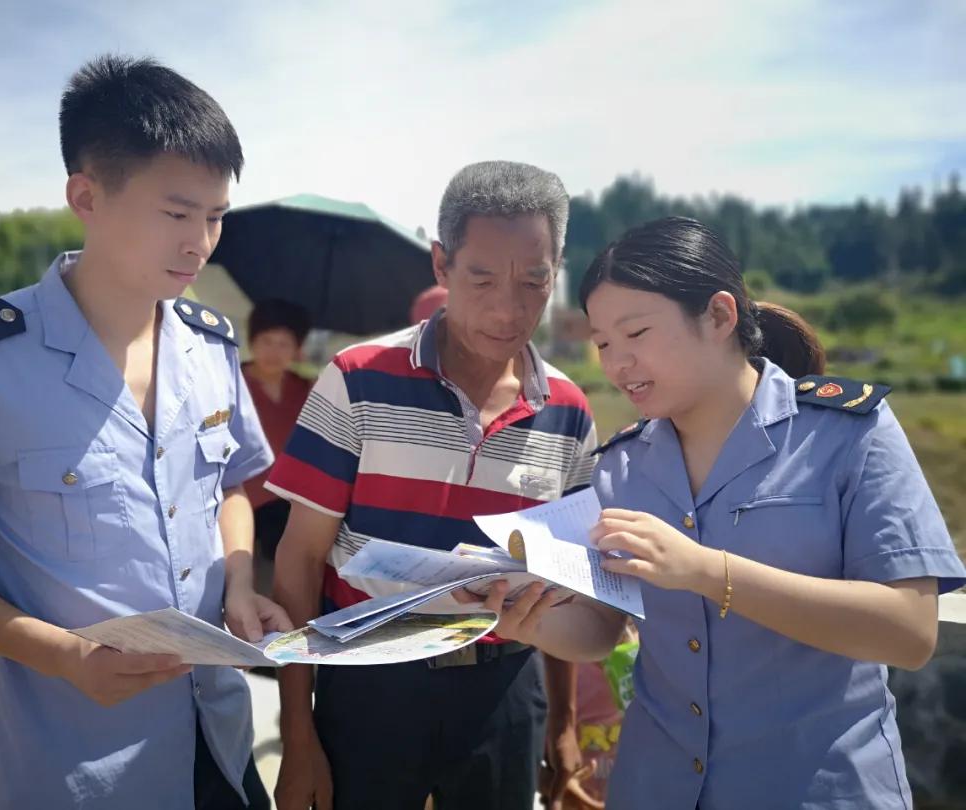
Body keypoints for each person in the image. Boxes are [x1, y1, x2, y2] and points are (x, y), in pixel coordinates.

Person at [0, 55, 292, 809]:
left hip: (221, 739)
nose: (200, 242)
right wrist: (68, 656)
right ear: (87, 196)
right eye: (176, 213)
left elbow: (232, 485)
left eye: (216, 215)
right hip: (77, 763)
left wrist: (240, 582)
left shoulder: (210, 343)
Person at [576, 217, 966, 809]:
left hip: (817, 790)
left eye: (637, 334)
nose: (617, 363)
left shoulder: (846, 435)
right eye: (603, 343)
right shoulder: (619, 468)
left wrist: (707, 571)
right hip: (655, 789)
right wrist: (517, 613)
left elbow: (909, 632)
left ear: (719, 316)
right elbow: (601, 628)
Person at [267, 161, 619, 810]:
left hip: (506, 692)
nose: (509, 308)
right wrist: (298, 733)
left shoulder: (568, 412)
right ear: (440, 265)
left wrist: (563, 724)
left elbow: (567, 577)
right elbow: (299, 560)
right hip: (370, 694)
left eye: (534, 281)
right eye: (481, 278)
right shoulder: (357, 381)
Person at [240, 299, 314, 575]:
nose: (274, 351)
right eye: (267, 341)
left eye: (284, 344)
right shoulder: (231, 381)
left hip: (287, 502)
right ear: (252, 341)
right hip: (238, 496)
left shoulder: (306, 388)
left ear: (297, 349)